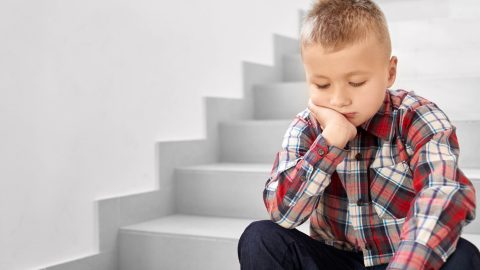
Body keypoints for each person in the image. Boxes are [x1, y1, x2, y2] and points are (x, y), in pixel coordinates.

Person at [237, 0, 480, 269]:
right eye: (322, 84)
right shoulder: (306, 126)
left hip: (400, 257)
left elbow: (443, 194)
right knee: (260, 237)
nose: (339, 100)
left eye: (356, 83)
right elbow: (282, 213)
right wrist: (330, 142)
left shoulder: (417, 117)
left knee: (463, 255)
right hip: (334, 258)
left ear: (389, 73)